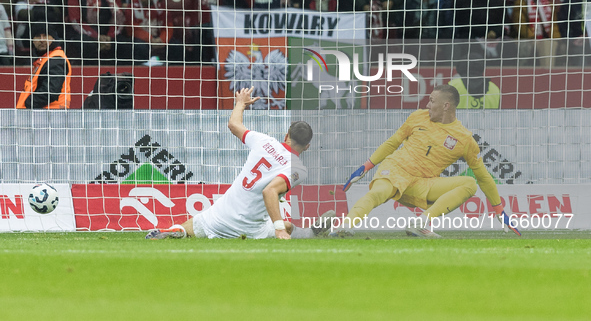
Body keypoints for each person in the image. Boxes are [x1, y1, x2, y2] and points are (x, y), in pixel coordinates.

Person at [146, 87, 333, 240]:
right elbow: (270, 191)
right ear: (307, 146)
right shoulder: (298, 169)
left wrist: (240, 103)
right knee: (286, 225)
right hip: (249, 229)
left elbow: (234, 125)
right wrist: (279, 229)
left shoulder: (264, 141)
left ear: (286, 136)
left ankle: (174, 230)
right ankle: (310, 233)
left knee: (189, 227)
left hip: (220, 216)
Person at [336, 85, 520, 238]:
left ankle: (420, 223)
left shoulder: (464, 139)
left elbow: (484, 177)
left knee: (469, 183)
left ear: (446, 106)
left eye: (432, 101)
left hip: (422, 184)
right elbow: (393, 143)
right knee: (378, 193)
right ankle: (345, 226)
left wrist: (499, 210)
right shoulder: (418, 117)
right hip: (396, 170)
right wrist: (366, 166)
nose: (427, 104)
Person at [16, 23, 72, 109]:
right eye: (38, 36)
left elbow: (50, 91)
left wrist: (29, 104)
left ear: (53, 38)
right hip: (45, 114)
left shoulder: (56, 59)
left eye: (45, 36)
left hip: (49, 115)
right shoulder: (45, 58)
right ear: (33, 40)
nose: (42, 40)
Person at [512, 0, 560, 67]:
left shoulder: (548, 2)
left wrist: (555, 38)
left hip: (546, 37)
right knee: (525, 45)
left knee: (554, 44)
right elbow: (520, 24)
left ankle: (550, 72)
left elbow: (554, 24)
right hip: (528, 37)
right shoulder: (521, 1)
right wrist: (532, 37)